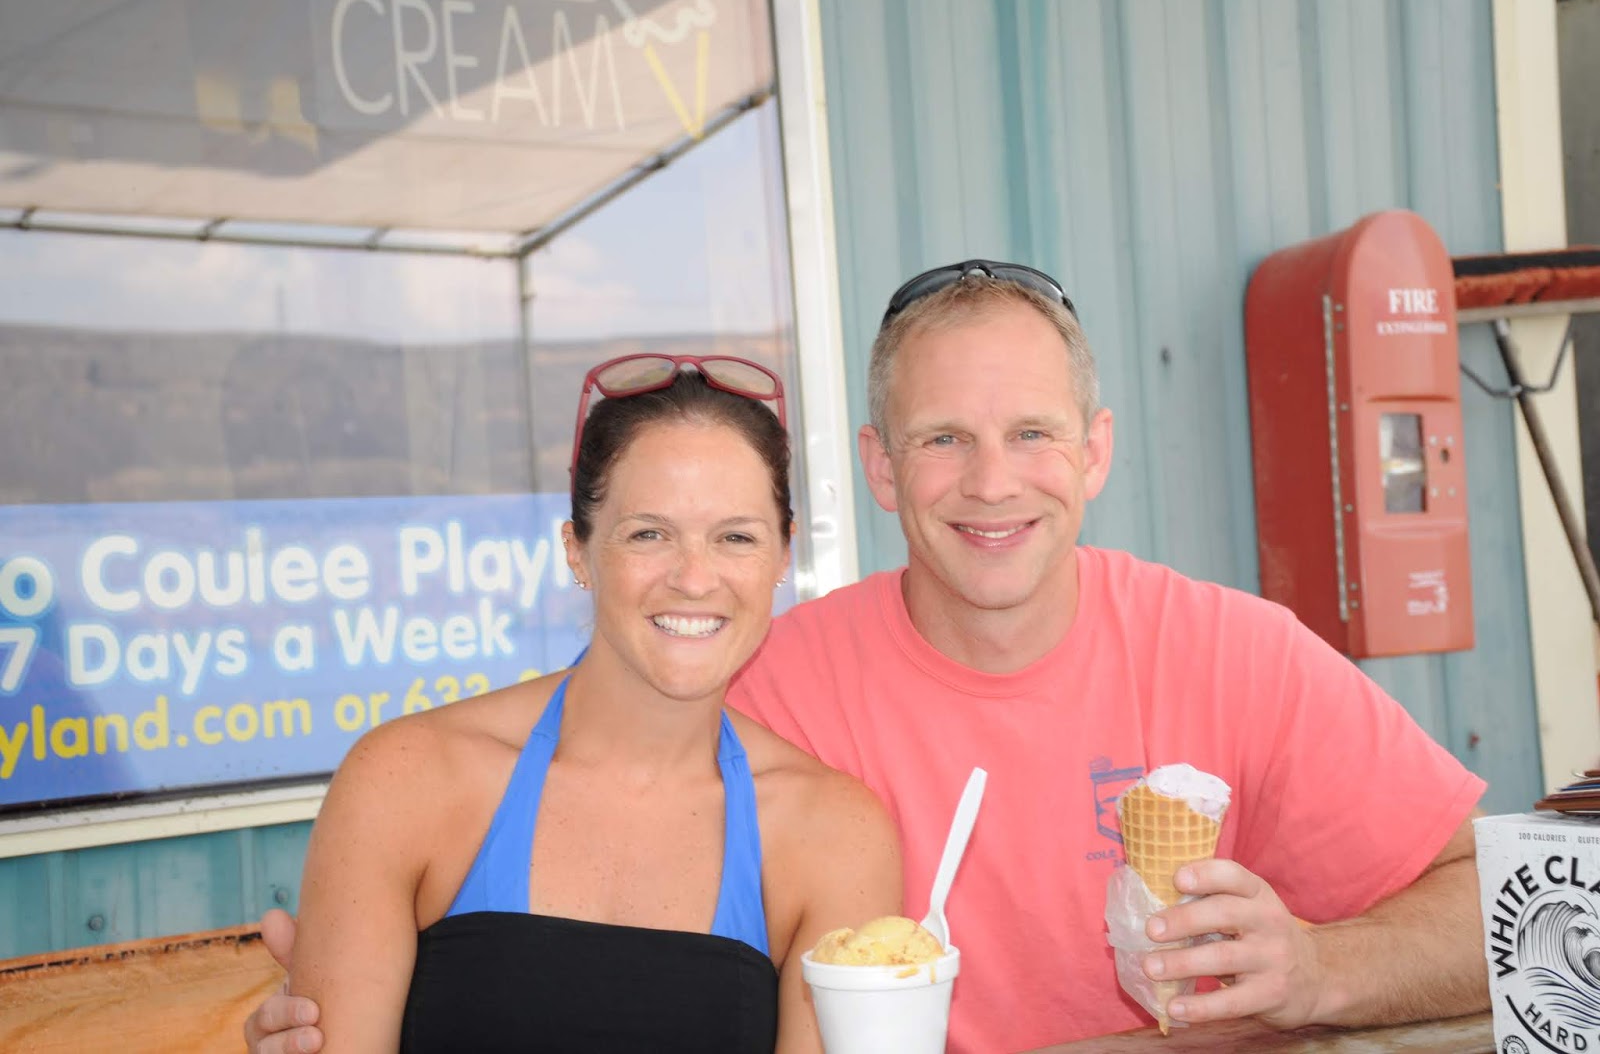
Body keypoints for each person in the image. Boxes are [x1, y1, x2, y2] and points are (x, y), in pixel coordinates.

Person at [248, 262, 1488, 1054]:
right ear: (881, 468)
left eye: (1032, 433)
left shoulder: (1233, 656)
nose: (991, 482)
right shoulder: (755, 683)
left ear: (1095, 450)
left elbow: (1513, 915)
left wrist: (1316, 971)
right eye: (942, 439)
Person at [278, 356, 901, 1053]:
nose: (695, 579)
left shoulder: (833, 836)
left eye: (736, 537)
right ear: (577, 550)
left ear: (783, 555)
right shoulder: (406, 780)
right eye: (648, 533)